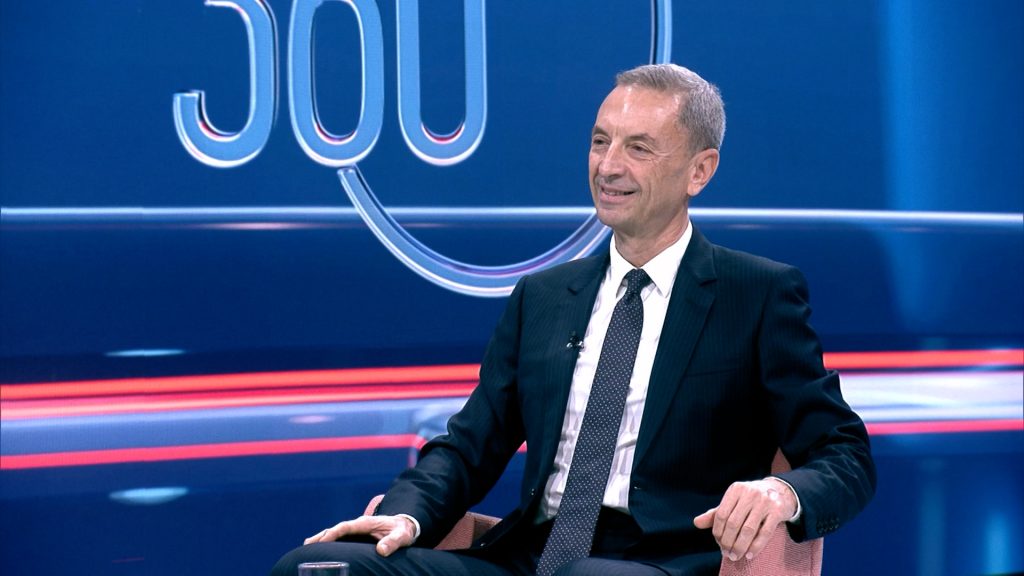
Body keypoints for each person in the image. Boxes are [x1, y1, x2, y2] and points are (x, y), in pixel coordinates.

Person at [271, 63, 875, 576]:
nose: (608, 166)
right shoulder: (543, 296)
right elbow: (470, 445)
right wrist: (405, 514)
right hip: (529, 557)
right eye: (599, 141)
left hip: (660, 562)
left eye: (638, 148)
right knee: (318, 566)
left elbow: (844, 454)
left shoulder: (756, 294)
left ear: (700, 170)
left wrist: (782, 491)